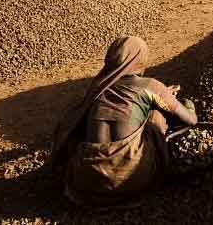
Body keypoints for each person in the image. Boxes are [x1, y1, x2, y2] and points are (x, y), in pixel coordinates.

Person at [50, 37, 198, 207]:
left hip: (88, 181)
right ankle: (149, 170)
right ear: (140, 59)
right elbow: (191, 120)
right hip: (132, 179)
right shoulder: (150, 85)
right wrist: (187, 105)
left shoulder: (96, 89)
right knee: (156, 115)